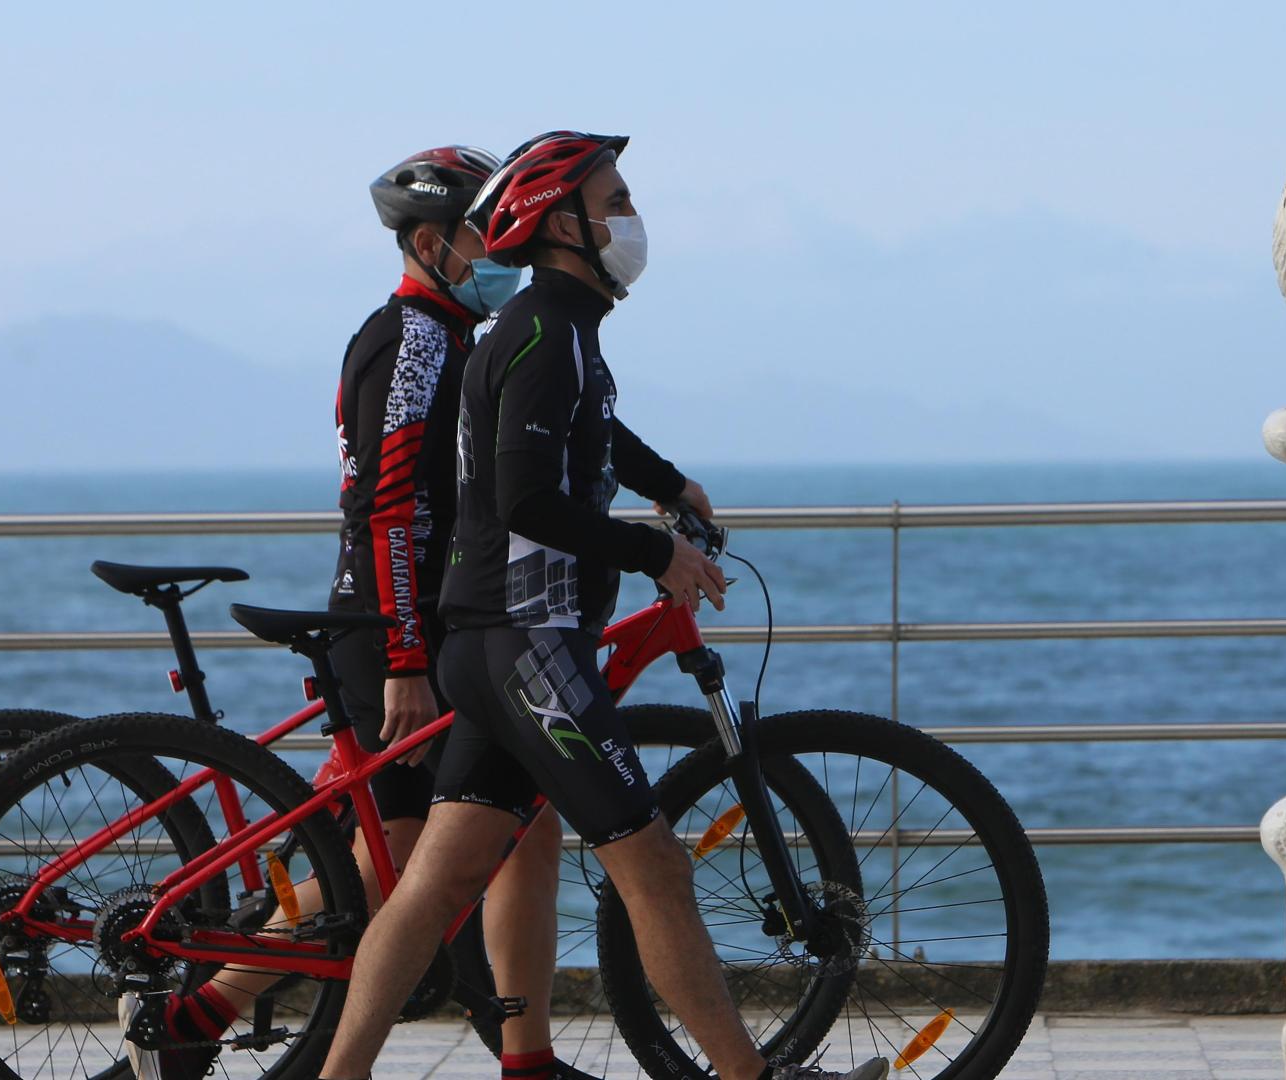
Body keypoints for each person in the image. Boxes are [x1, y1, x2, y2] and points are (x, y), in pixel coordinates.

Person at [315, 131, 887, 1080]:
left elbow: (593, 436)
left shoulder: (544, 328)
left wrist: (667, 487)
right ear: (560, 224)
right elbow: (525, 500)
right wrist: (655, 550)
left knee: (431, 890)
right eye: (615, 202)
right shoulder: (546, 334)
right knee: (653, 866)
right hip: (531, 648)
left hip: (490, 647)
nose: (632, 219)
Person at [124, 145, 566, 1080]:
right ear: (431, 244)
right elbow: (387, 507)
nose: (503, 256)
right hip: (395, 628)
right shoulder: (412, 339)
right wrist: (404, 655)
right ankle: (524, 1062)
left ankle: (201, 1013)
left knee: (411, 853)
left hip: (419, 623)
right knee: (484, 837)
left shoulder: (454, 336)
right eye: (486, 239)